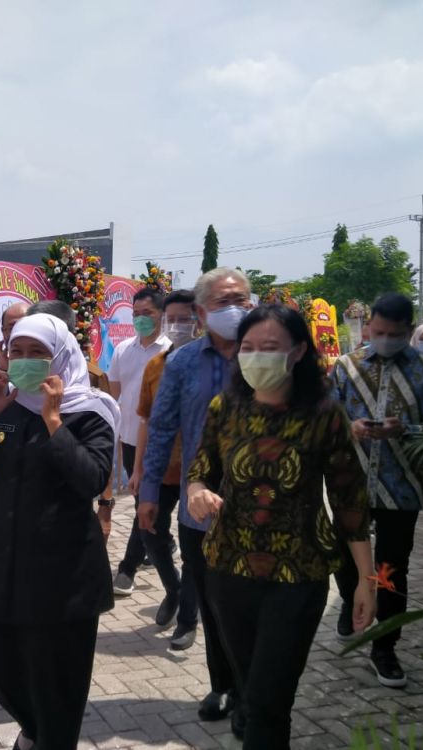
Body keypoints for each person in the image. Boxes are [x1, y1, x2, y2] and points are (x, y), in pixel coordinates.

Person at [187, 305, 377, 748]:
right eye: (248, 347)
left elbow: (350, 501)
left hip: (298, 574)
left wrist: (366, 582)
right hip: (228, 570)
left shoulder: (324, 415)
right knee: (250, 690)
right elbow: (201, 469)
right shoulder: (224, 408)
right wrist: (196, 491)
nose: (256, 357)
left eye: (269, 347)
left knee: (270, 701)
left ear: (298, 352)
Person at [0, 314, 118, 750]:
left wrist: (54, 421)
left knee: (57, 688)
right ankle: (34, 732)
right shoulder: (7, 410)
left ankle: (47, 739)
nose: (25, 361)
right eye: (18, 351)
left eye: (37, 353)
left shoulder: (90, 412)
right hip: (6, 567)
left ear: (60, 357)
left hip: (64, 577)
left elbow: (92, 480)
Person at [138, 267, 251, 724]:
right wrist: (148, 490)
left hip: (262, 507)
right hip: (200, 505)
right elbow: (162, 426)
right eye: (224, 302)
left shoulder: (268, 354)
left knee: (251, 604)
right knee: (212, 601)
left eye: (242, 300)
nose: (236, 309)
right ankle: (223, 685)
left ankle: (252, 695)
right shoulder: (183, 362)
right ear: (202, 313)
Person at [332, 292, 423, 689]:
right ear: (369, 327)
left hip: (403, 485)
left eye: (394, 334)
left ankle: (385, 646)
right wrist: (349, 427)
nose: (384, 339)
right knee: (344, 557)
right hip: (350, 481)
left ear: (408, 330)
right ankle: (351, 598)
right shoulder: (345, 367)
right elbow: (326, 415)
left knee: (392, 568)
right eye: (378, 331)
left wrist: (407, 430)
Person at [128, 289, 198, 630]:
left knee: (193, 545)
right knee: (150, 532)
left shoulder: (214, 366)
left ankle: (188, 618)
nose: (179, 325)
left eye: (186, 319)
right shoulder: (156, 366)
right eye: (173, 319)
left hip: (200, 474)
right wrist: (138, 469)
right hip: (161, 468)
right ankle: (174, 589)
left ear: (199, 320)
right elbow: (145, 421)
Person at [108, 288, 171, 596]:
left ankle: (127, 569)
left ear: (162, 315)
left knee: (144, 503)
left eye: (147, 313)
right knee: (142, 503)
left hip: (162, 443)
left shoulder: (171, 351)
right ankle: (162, 542)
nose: (140, 319)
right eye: (136, 314)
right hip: (131, 438)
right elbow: (114, 393)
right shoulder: (123, 350)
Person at [0, 302, 30, 380]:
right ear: (3, 332)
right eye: (13, 327)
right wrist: (4, 371)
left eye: (26, 325)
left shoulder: (47, 362)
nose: (20, 332)